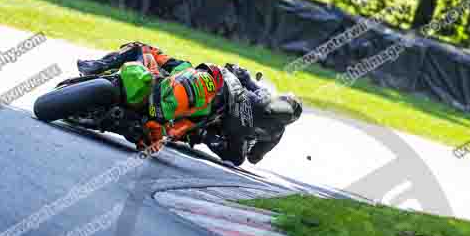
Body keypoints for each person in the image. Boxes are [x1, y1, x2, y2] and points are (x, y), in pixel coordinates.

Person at [76, 44, 302, 164]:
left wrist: (225, 140)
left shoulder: (271, 129)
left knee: (195, 132)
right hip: (209, 93)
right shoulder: (262, 98)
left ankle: (147, 125)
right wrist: (236, 72)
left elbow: (246, 157)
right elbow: (240, 74)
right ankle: (97, 66)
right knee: (149, 52)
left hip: (206, 124)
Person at [77, 42, 224, 151]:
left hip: (159, 116)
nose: (203, 82)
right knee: (137, 47)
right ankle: (97, 66)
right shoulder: (183, 67)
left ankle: (127, 124)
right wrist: (148, 54)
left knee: (149, 145)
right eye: (204, 73)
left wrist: (162, 134)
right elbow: (155, 53)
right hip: (154, 86)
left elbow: (179, 130)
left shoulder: (202, 111)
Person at [202, 64, 302, 166]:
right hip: (230, 121)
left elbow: (248, 82)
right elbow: (253, 157)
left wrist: (240, 73)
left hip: (229, 116)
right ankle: (204, 134)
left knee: (236, 157)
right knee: (236, 158)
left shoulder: (265, 96)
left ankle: (204, 133)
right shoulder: (277, 133)